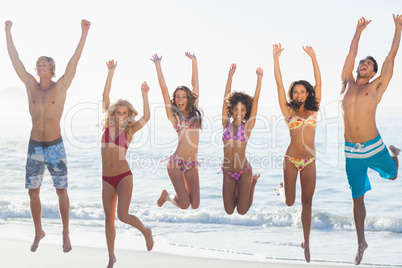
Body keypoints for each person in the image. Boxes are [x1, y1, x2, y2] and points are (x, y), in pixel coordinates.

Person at [5, 19, 90, 253]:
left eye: (44, 64)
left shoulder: (60, 86)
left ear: (51, 68)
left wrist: (83, 35)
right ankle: (38, 231)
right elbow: (15, 59)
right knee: (33, 191)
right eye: (38, 64)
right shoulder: (30, 85)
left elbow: (74, 62)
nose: (39, 66)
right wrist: (7, 31)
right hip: (34, 147)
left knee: (61, 190)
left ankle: (65, 233)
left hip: (55, 146)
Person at [340, 15, 401, 265]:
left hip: (374, 146)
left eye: (368, 63)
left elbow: (390, 59)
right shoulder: (346, 83)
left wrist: (398, 29)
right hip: (351, 152)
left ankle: (394, 154)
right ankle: (360, 242)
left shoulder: (376, 87)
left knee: (394, 175)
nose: (363, 64)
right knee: (357, 198)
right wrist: (358, 32)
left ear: (373, 72)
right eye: (362, 62)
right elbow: (350, 54)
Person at [101, 60, 154, 268]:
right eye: (118, 112)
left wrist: (145, 95)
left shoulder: (129, 131)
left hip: (124, 177)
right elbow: (104, 97)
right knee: (108, 219)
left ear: (128, 114)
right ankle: (111, 257)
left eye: (124, 113)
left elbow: (147, 116)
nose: (121, 115)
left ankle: (145, 231)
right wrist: (110, 72)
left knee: (122, 215)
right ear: (113, 113)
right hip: (106, 178)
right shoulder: (108, 125)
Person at [273, 44, 322, 263]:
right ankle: (281, 190)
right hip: (291, 160)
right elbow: (278, 85)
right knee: (290, 202)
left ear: (308, 93)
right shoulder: (288, 111)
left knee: (308, 203)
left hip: (309, 160)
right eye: (295, 92)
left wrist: (313, 57)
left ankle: (307, 242)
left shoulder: (314, 108)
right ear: (292, 94)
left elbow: (319, 82)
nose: (299, 94)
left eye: (302, 92)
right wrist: (276, 58)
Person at [150, 52, 202, 209]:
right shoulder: (174, 116)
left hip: (191, 163)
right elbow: (164, 90)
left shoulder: (193, 113)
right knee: (185, 204)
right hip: (176, 164)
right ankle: (166, 197)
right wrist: (158, 65)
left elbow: (195, 85)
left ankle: (167, 197)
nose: (180, 100)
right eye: (177, 97)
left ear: (188, 99)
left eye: (184, 97)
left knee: (195, 205)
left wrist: (194, 61)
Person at [221, 63, 263, 215]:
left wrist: (259, 79)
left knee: (242, 211)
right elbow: (225, 98)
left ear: (246, 112)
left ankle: (252, 182)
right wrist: (230, 76)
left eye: (243, 110)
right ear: (231, 110)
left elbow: (256, 100)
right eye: (236, 109)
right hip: (228, 172)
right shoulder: (225, 123)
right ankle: (241, 187)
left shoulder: (247, 127)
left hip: (244, 171)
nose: (239, 112)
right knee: (229, 211)